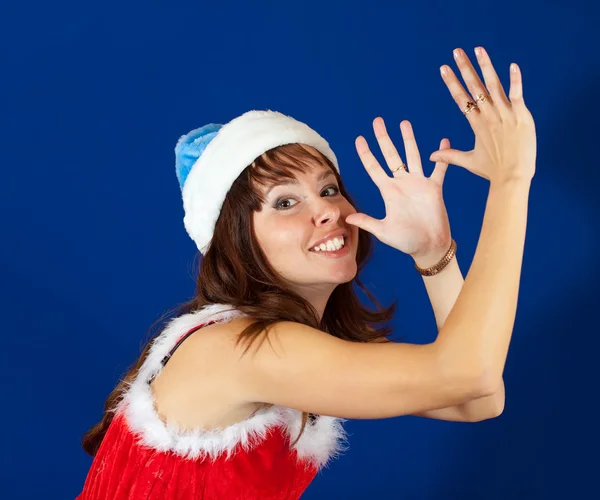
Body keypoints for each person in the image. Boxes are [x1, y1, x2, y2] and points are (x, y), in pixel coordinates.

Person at [77, 46, 536, 499]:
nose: (327, 212)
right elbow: (468, 374)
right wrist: (511, 181)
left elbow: (477, 399)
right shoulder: (244, 348)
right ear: (237, 241)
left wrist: (435, 254)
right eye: (284, 202)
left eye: (329, 189)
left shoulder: (292, 343)